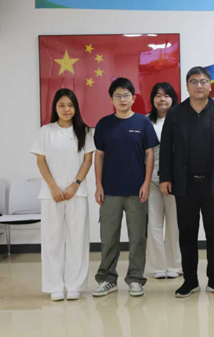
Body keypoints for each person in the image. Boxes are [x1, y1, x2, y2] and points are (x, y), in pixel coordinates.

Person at [160, 66, 214, 298]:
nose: (199, 86)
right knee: (187, 234)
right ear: (187, 86)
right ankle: (190, 281)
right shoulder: (175, 113)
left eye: (203, 81)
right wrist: (165, 177)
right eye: (193, 81)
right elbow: (166, 148)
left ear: (210, 85)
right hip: (185, 184)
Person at [93, 78, 159, 298]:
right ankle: (107, 279)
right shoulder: (104, 124)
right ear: (111, 99)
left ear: (133, 97)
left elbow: (150, 154)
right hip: (110, 191)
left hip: (137, 191)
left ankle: (135, 279)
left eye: (126, 95)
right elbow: (99, 155)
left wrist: (146, 184)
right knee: (108, 238)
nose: (122, 99)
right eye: (118, 96)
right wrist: (98, 185)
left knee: (137, 238)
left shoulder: (143, 122)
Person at [31, 89, 95, 301]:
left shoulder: (84, 131)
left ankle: (75, 285)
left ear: (76, 107)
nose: (66, 109)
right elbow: (41, 161)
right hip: (51, 195)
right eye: (62, 105)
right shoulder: (45, 131)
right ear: (55, 108)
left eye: (70, 105)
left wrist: (75, 185)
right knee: (52, 240)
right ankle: (55, 286)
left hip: (77, 193)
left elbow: (88, 160)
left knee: (78, 240)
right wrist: (53, 187)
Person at [146, 82, 182, 279]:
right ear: (153, 99)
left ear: (173, 98)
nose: (162, 99)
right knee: (153, 223)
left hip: (175, 180)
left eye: (166, 95)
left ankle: (175, 265)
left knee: (175, 224)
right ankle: (158, 266)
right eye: (158, 95)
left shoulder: (181, 120)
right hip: (150, 179)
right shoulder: (145, 121)